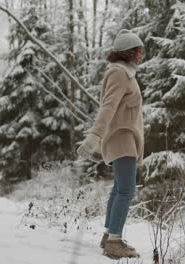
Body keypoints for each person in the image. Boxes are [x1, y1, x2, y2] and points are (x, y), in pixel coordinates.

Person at [77, 29, 145, 259]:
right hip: (121, 138)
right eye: (138, 50)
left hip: (125, 137)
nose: (141, 55)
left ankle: (109, 236)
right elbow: (108, 107)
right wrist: (93, 137)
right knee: (126, 190)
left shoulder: (126, 73)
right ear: (129, 52)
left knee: (119, 189)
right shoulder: (119, 74)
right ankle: (115, 241)